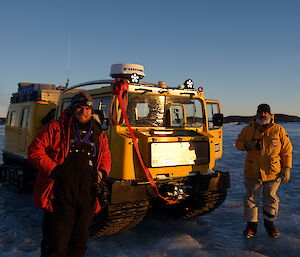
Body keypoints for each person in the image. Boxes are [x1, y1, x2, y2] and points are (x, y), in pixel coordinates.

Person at [28, 91, 111, 257]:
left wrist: (102, 172)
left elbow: (106, 156)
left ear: (91, 110)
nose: (83, 111)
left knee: (79, 243)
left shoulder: (98, 133)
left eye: (87, 108)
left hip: (87, 195)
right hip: (60, 194)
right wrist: (54, 169)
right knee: (56, 244)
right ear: (73, 109)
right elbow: (34, 151)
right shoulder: (56, 128)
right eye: (79, 107)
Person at [235, 104, 292, 239]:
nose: (263, 115)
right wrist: (246, 145)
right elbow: (238, 143)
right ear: (257, 114)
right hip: (252, 171)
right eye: (260, 112)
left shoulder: (279, 130)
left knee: (271, 199)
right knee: (250, 199)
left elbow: (287, 151)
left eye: (265, 112)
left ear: (270, 114)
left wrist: (287, 168)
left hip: (273, 172)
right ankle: (251, 227)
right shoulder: (248, 130)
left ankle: (269, 225)